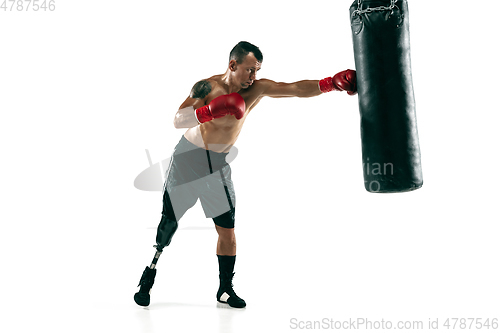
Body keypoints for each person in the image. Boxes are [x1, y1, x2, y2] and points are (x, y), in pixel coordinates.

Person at [134, 41, 357, 308]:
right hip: (187, 160)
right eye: (249, 70)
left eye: (257, 71)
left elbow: (295, 89)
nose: (253, 77)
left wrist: (330, 83)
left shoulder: (257, 89)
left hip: (217, 165)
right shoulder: (206, 87)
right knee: (168, 224)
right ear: (232, 65)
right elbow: (178, 119)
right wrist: (210, 111)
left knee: (227, 230)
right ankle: (150, 272)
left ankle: (225, 290)